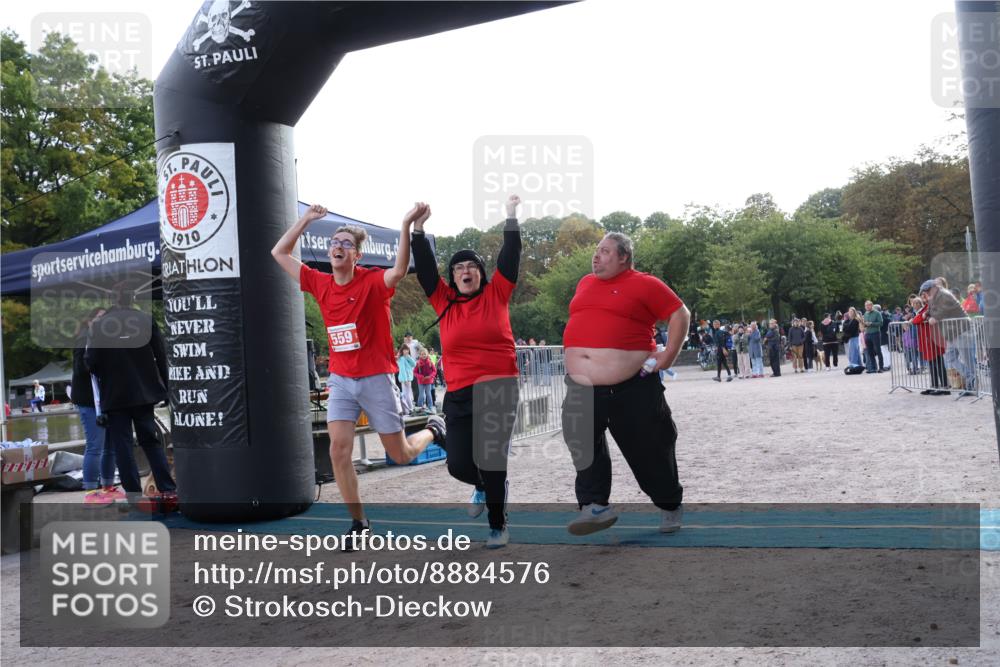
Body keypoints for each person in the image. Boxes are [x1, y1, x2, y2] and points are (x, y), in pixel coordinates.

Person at [271, 202, 445, 548]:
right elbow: (279, 252)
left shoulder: (372, 281)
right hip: (341, 380)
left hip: (376, 377)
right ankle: (359, 522)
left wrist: (406, 225)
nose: (338, 246)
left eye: (346, 243)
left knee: (401, 455)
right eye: (335, 242)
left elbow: (398, 270)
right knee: (338, 450)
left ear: (357, 255)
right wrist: (305, 219)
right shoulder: (319, 283)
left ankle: (433, 428)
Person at [561, 231, 690, 535]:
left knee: (650, 451)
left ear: (624, 257)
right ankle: (594, 505)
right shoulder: (585, 283)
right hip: (581, 387)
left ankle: (669, 503)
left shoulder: (645, 284)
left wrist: (668, 355)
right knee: (581, 442)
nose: (596, 256)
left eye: (605, 251)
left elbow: (679, 314)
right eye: (596, 250)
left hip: (632, 386)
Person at [411, 194, 522, 548]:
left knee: (491, 458)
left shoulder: (497, 293)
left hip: (498, 387)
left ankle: (497, 524)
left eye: (472, 266)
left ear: (481, 273)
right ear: (453, 277)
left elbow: (510, 255)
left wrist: (510, 217)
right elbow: (425, 270)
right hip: (459, 392)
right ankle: (481, 485)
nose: (465, 271)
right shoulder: (444, 301)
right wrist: (418, 230)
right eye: (458, 267)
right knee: (458, 465)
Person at [85, 288, 177, 509]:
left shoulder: (100, 325)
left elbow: (91, 362)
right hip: (144, 392)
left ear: (112, 299)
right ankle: (168, 489)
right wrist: (167, 389)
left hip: (115, 394)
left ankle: (134, 496)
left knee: (123, 446)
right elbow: (161, 355)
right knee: (151, 441)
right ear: (133, 299)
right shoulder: (146, 320)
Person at [71, 307, 125, 506]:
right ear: (90, 320)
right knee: (95, 446)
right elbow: (81, 369)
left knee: (110, 445)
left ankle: (107, 487)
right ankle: (90, 491)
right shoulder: (84, 338)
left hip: (107, 399)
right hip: (89, 400)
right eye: (100, 318)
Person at [862, 300, 885, 373]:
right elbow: (864, 323)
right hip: (867, 334)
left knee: (878, 351)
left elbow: (881, 323)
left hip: (875, 333)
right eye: (866, 306)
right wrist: (864, 324)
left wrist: (871, 323)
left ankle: (881, 368)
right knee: (870, 352)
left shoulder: (877, 313)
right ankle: (873, 368)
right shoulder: (865, 314)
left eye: (868, 305)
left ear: (871, 305)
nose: (867, 307)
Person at [414, 348, 437, 413]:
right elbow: (415, 372)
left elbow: (434, 371)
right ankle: (420, 407)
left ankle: (430, 407)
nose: (423, 355)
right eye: (422, 354)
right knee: (421, 395)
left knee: (428, 394)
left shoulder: (430, 362)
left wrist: (430, 376)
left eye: (424, 354)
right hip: (421, 381)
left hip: (428, 381)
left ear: (427, 354)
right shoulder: (418, 363)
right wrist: (421, 377)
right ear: (420, 355)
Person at [396, 344, 416, 414]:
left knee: (407, 394)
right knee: (406, 394)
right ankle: (409, 409)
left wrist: (408, 357)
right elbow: (403, 370)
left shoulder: (407, 357)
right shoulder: (401, 358)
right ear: (402, 350)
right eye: (404, 350)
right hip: (405, 379)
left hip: (408, 378)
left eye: (407, 350)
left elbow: (414, 364)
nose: (406, 351)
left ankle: (408, 409)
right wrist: (405, 379)